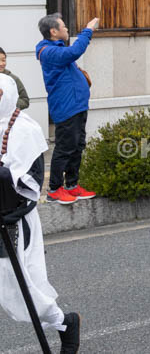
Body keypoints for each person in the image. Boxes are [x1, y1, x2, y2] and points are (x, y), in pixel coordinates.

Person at [0, 74, 81, 353]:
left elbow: (31, 183)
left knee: (16, 287)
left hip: (13, 220)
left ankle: (63, 321)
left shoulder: (25, 130)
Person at [35, 14, 99, 205]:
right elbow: (75, 52)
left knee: (77, 146)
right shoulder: (48, 52)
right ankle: (54, 189)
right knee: (64, 148)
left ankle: (71, 185)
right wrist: (88, 30)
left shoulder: (57, 49)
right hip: (66, 108)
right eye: (63, 26)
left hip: (77, 106)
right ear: (53, 31)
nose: (67, 29)